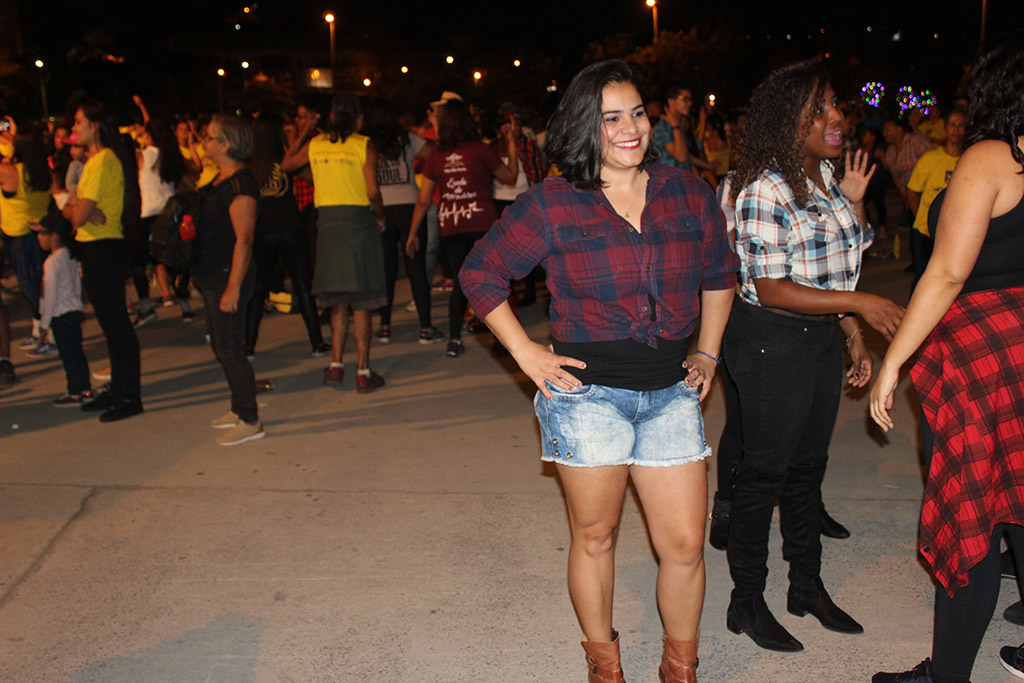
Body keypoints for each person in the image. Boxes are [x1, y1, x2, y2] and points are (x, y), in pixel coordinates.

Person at [461, 59, 738, 683]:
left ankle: (680, 668)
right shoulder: (553, 204)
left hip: (670, 391)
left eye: (636, 113)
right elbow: (481, 273)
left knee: (685, 545)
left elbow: (721, 274)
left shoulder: (687, 192)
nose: (629, 128)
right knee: (596, 537)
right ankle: (605, 666)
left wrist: (708, 352)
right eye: (611, 118)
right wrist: (525, 353)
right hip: (586, 399)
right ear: (584, 126)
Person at [722, 60, 904, 653]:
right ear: (787, 121)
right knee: (763, 476)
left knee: (807, 471)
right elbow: (773, 286)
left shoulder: (824, 175)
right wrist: (859, 304)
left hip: (819, 338)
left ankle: (806, 586)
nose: (835, 117)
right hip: (771, 342)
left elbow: (832, 266)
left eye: (834, 105)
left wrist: (850, 331)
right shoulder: (763, 188)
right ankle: (746, 601)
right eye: (818, 109)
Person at [870, 43, 1024, 683]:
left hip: (981, 353)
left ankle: (947, 675)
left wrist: (893, 360)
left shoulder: (991, 158)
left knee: (973, 512)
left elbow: (948, 271)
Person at [406, 98, 518, 359]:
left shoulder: (436, 156)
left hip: (451, 226)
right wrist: (511, 145)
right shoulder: (481, 150)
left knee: (460, 282)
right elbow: (510, 178)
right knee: (491, 280)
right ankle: (502, 339)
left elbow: (423, 200)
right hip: (482, 225)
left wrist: (412, 234)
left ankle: (454, 340)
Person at [296, 92, 388, 393]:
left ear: (332, 117)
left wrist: (303, 134)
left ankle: (335, 366)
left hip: (328, 225)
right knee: (361, 302)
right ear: (359, 119)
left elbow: (286, 164)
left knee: (337, 301)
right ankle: (363, 371)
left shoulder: (317, 144)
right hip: (358, 223)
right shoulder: (363, 144)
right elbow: (372, 190)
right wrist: (380, 215)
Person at [63, 100, 144, 422]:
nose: (73, 129)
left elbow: (76, 214)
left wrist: (77, 208)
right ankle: (120, 388)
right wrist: (77, 208)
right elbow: (73, 208)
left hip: (102, 249)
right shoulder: (98, 160)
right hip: (98, 247)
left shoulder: (101, 161)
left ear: (94, 125)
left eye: (78, 122)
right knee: (112, 326)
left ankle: (129, 396)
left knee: (116, 325)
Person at [192, 115, 265, 446]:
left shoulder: (241, 185)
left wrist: (233, 287)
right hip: (213, 274)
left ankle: (250, 419)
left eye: (209, 137)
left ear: (225, 144)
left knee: (231, 349)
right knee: (221, 346)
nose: (203, 142)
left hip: (229, 275)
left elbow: (244, 239)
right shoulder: (221, 179)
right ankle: (238, 406)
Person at [244, 112, 329, 358]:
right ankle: (317, 343)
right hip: (291, 226)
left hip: (263, 229)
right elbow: (313, 179)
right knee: (303, 287)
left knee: (258, 289)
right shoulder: (285, 160)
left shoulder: (250, 166)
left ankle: (248, 346)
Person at [360, 97, 442, 345]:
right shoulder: (406, 138)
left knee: (386, 269)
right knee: (416, 268)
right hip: (409, 207)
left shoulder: (366, 142)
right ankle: (425, 327)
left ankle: (384, 326)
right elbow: (433, 154)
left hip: (381, 207)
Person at [0, 118, 54, 356]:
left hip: (21, 238)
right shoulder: (41, 169)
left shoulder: (11, 171)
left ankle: (51, 334)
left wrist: (9, 143)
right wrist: (14, 139)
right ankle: (38, 331)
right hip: (39, 234)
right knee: (41, 286)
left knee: (32, 289)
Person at [34, 210, 95, 406]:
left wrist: (44, 323)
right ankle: (85, 389)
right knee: (77, 353)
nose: (39, 237)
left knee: (69, 357)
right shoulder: (70, 255)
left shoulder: (52, 262)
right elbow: (77, 284)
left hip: (61, 315)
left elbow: (49, 294)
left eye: (42, 233)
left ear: (53, 236)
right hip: (73, 311)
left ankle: (75, 393)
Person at [906, 110, 967, 283]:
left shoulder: (968, 160)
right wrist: (920, 218)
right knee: (923, 279)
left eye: (960, 125)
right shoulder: (930, 158)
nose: (955, 129)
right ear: (945, 129)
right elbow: (912, 191)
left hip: (955, 233)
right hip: (925, 231)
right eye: (952, 124)